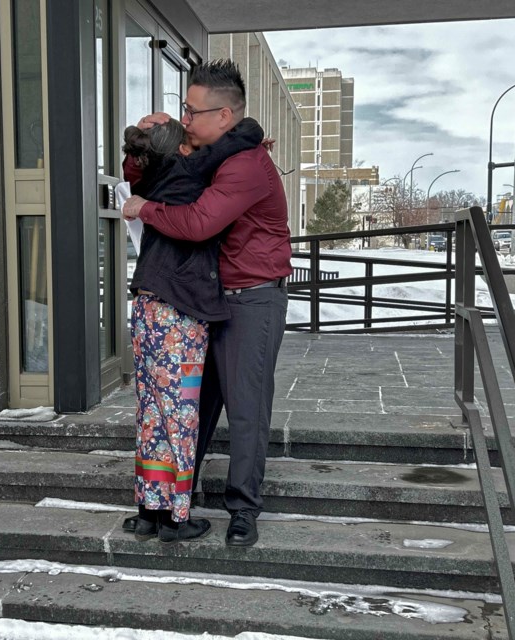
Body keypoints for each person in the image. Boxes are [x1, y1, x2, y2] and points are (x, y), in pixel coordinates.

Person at [122, 59, 292, 547]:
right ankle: (176, 502)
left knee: (245, 409)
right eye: (183, 111)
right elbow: (145, 174)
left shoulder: (244, 164)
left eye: (192, 112)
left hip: (252, 302)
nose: (187, 119)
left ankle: (243, 510)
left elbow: (198, 223)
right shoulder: (214, 152)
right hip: (206, 302)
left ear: (223, 116)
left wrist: (147, 211)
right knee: (194, 406)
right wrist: (140, 140)